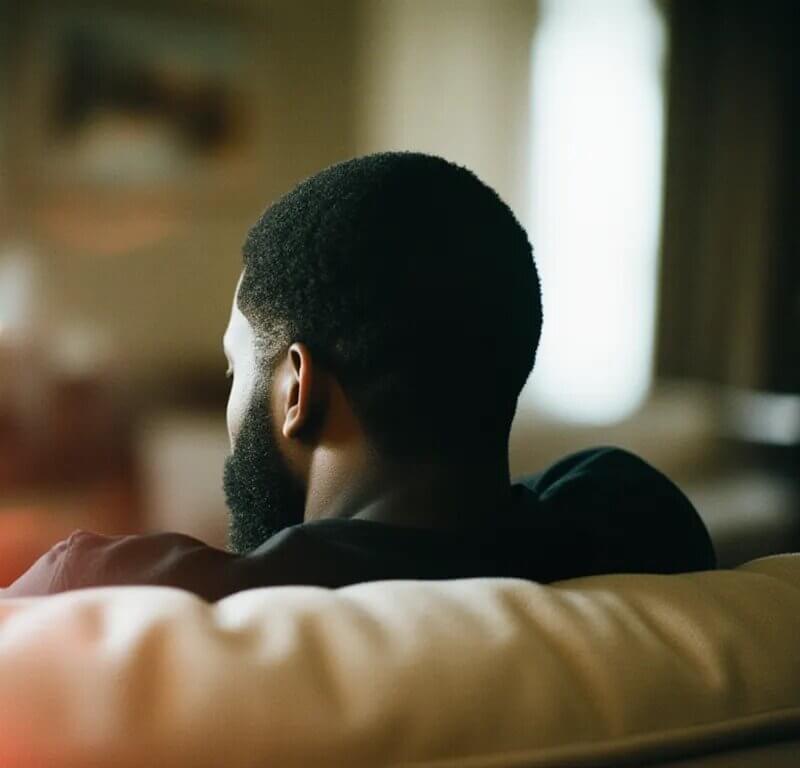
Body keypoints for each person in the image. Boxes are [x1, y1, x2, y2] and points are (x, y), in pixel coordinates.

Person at [2, 152, 715, 602]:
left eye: (234, 367)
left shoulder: (101, 592)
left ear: (296, 390)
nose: (228, 397)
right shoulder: (639, 522)